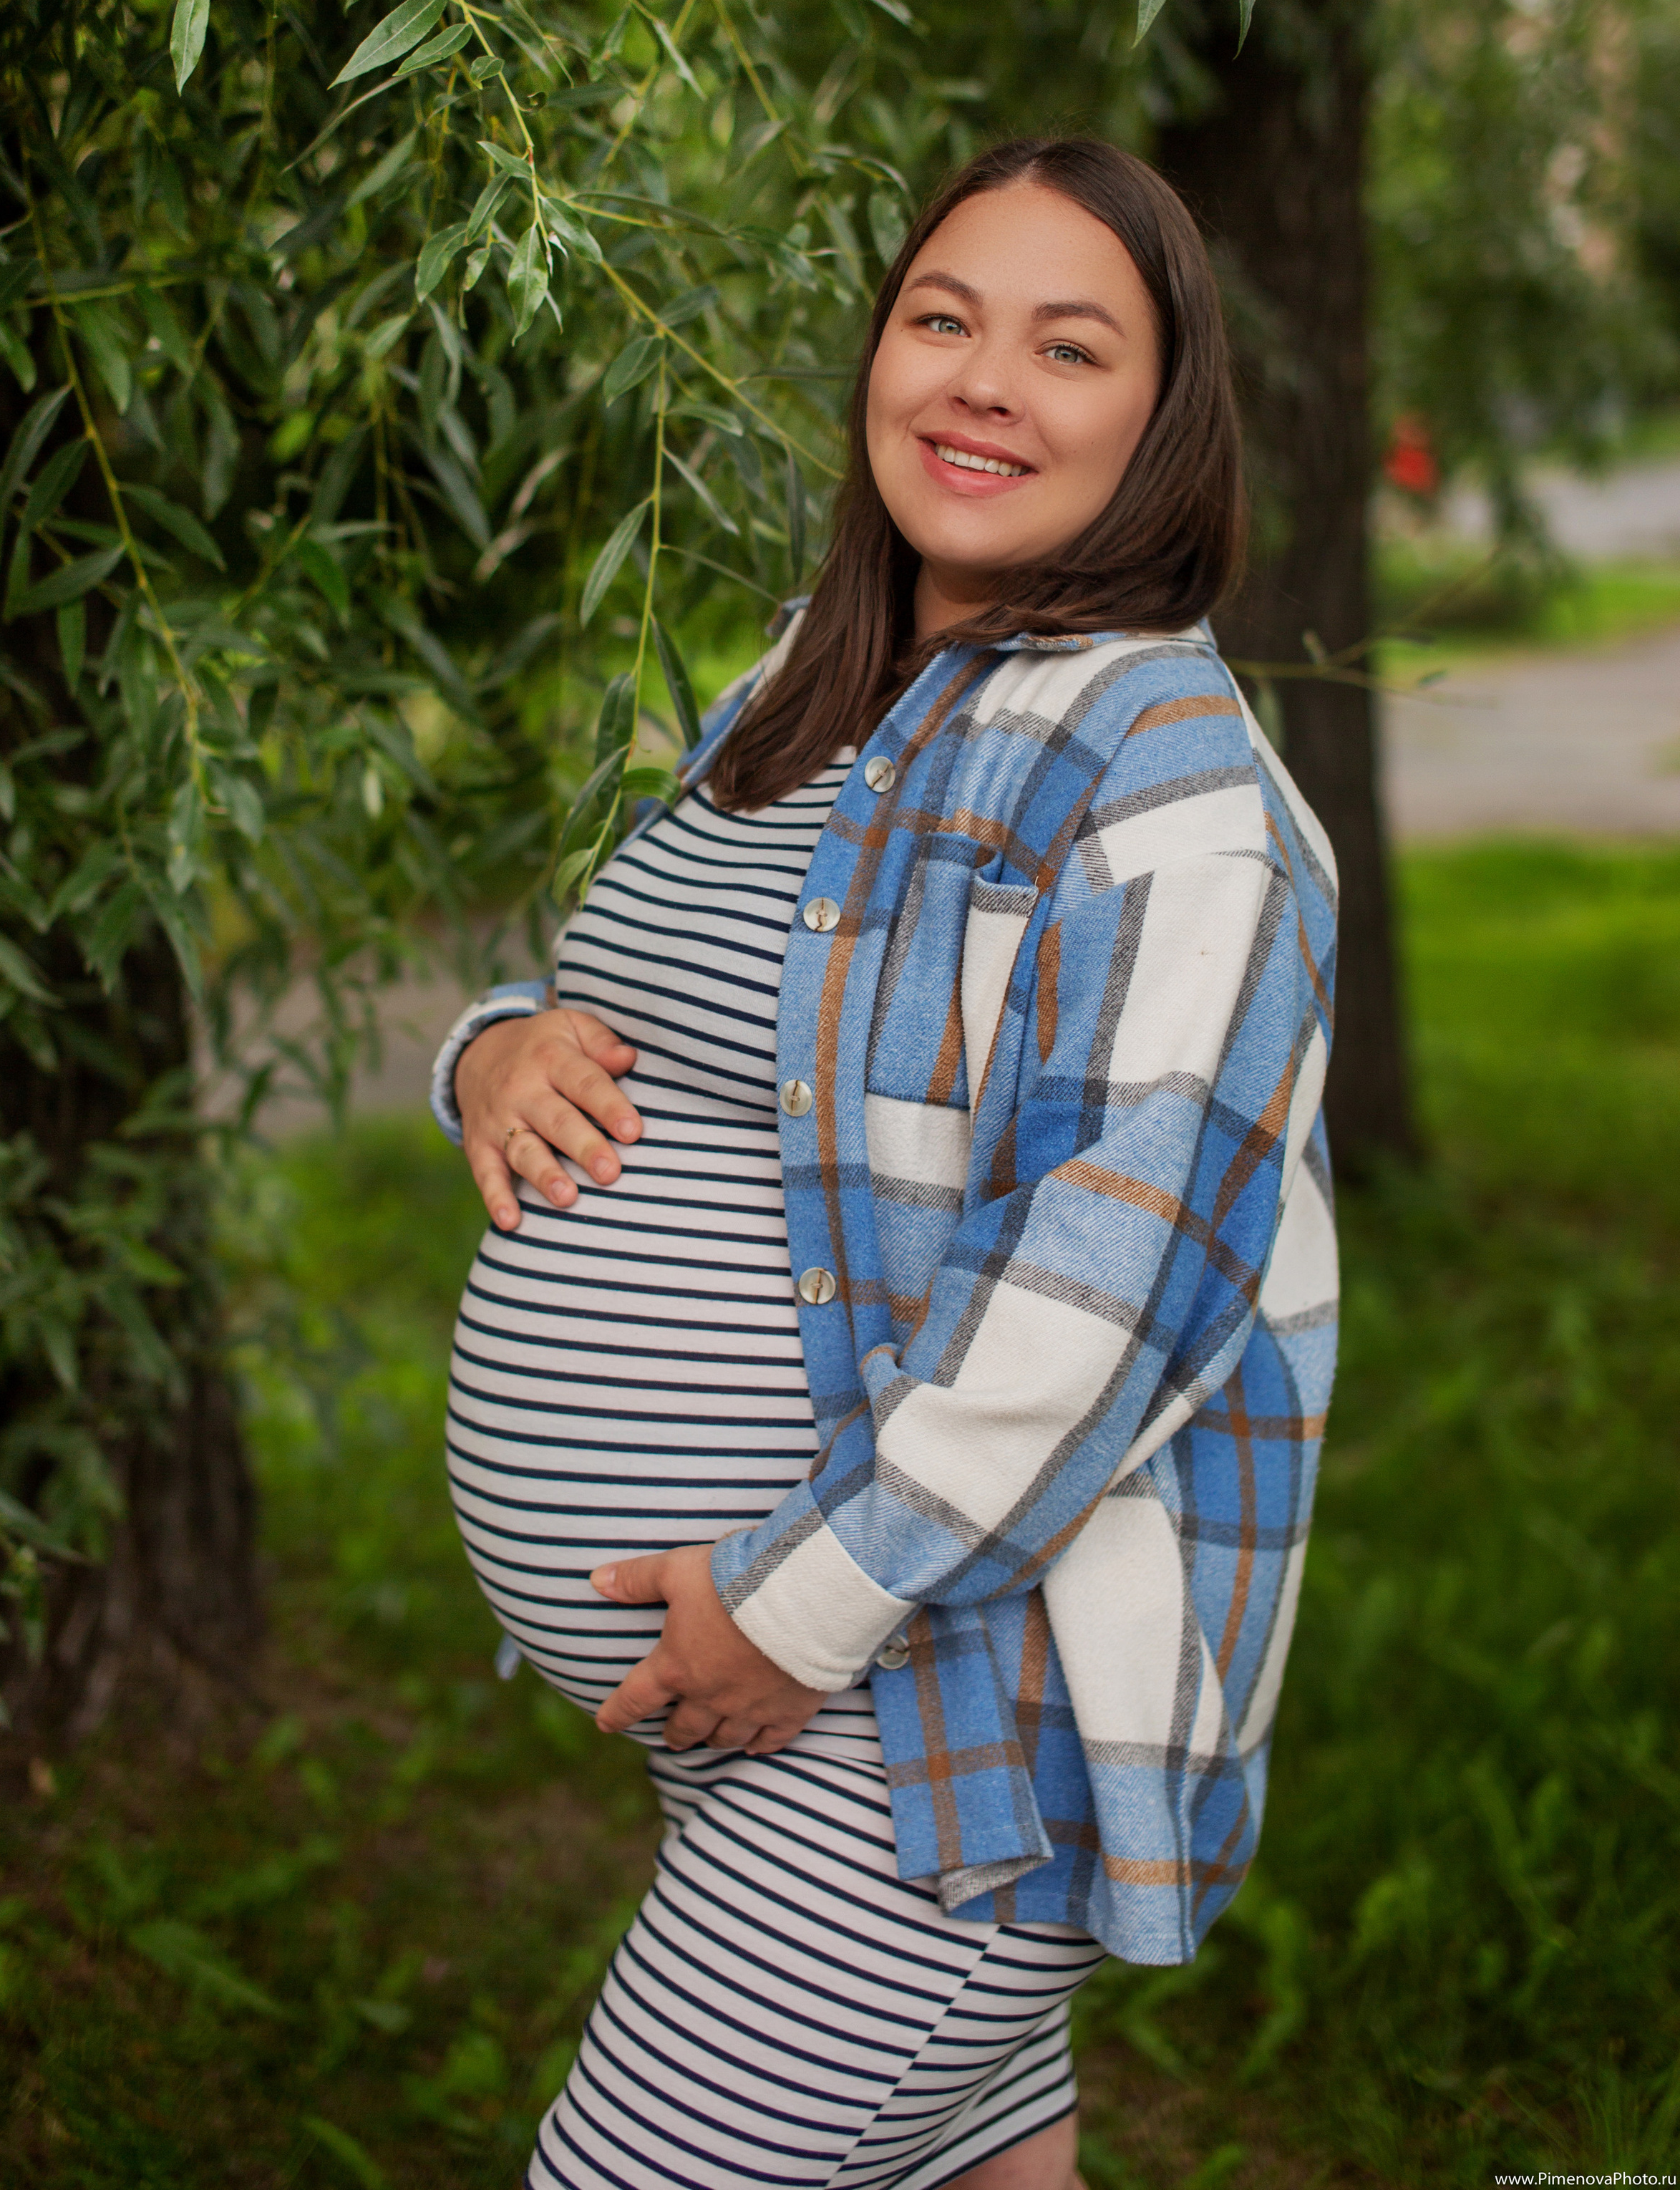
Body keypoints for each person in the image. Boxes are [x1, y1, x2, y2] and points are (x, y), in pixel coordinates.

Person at [432, 135, 1339, 2190]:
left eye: (1067, 344)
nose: (980, 381)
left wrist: (798, 1606)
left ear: (1164, 416)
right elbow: (651, 1026)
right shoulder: (812, 681)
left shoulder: (1168, 784)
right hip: (793, 1721)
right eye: (942, 317)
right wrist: (487, 1056)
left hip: (921, 1734)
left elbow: (1123, 1285)